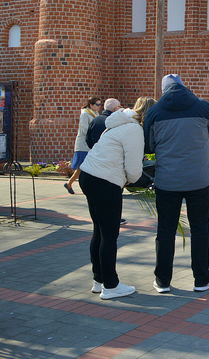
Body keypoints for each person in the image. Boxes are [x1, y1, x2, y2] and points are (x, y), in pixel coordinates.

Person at [144, 74, 209, 294]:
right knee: (200, 229)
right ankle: (201, 279)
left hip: (167, 181)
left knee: (165, 230)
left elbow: (148, 146)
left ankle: (162, 280)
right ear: (183, 86)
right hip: (199, 179)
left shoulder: (154, 112)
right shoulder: (203, 107)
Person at [79, 97, 151, 299]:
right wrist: (132, 180)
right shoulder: (135, 130)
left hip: (88, 176)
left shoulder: (119, 123)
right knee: (109, 235)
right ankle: (111, 285)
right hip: (105, 181)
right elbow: (134, 169)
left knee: (99, 231)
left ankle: (98, 280)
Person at [64, 96, 102, 194]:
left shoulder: (96, 114)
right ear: (91, 105)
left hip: (91, 144)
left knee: (85, 167)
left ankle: (69, 183)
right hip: (84, 144)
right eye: (97, 104)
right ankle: (73, 184)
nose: (99, 106)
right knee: (82, 167)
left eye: (100, 104)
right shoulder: (85, 114)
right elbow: (85, 129)